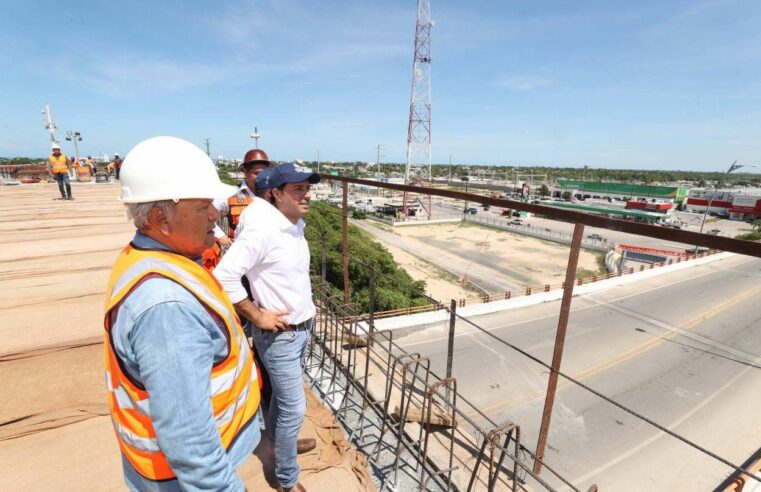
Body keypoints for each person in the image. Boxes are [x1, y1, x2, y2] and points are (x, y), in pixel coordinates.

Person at [103, 136, 262, 491]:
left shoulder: (153, 258)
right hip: (181, 479)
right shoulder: (167, 307)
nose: (214, 213)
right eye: (203, 205)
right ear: (161, 218)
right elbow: (188, 440)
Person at [214, 163, 321, 492]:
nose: (307, 195)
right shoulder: (264, 230)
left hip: (301, 327)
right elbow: (224, 275)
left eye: (307, 188)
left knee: (283, 403)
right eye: (298, 189)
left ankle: (278, 444)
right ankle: (286, 477)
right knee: (294, 405)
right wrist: (257, 315)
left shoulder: (292, 224)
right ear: (276, 193)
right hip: (280, 336)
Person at [202, 148, 272, 271]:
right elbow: (206, 216)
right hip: (238, 258)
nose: (261, 178)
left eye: (264, 174)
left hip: (266, 257)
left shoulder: (273, 195)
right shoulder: (231, 194)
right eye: (257, 174)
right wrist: (220, 236)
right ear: (245, 171)